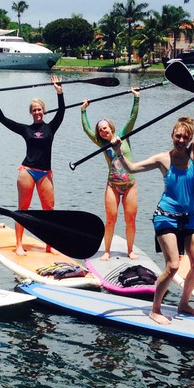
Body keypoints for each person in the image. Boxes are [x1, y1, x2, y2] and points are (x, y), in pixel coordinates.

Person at [108, 91, 194, 325]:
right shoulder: (163, 159)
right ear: (172, 135)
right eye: (178, 136)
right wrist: (118, 152)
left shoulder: (193, 154)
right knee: (173, 265)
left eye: (185, 137)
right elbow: (131, 168)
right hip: (166, 217)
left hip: (189, 218)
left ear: (189, 139)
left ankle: (184, 304)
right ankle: (155, 309)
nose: (181, 140)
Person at [0, 75, 64, 255]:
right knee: (23, 209)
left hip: (45, 173)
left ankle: (49, 245)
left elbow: (62, 111)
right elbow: (3, 120)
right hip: (27, 171)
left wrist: (59, 92)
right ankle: (19, 244)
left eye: (39, 109)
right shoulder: (26, 130)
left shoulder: (51, 128)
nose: (37, 112)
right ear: (31, 113)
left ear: (44, 111)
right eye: (34, 110)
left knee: (49, 210)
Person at [80, 87, 140, 259]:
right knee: (110, 219)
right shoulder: (102, 144)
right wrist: (83, 111)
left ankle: (130, 250)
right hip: (112, 185)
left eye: (105, 128)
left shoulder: (123, 135)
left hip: (130, 185)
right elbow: (87, 130)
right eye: (100, 130)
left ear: (111, 127)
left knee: (130, 219)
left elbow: (132, 117)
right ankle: (106, 251)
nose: (103, 131)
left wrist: (136, 98)